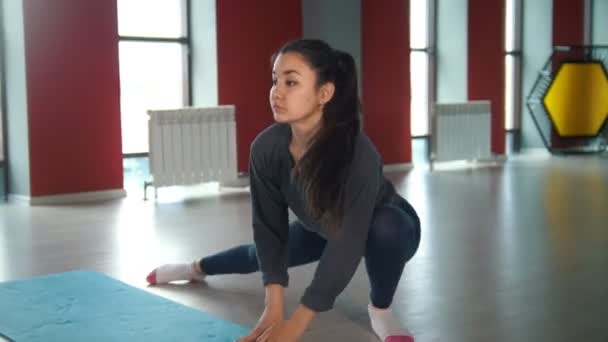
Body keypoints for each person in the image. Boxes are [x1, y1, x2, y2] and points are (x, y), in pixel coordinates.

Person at [146, 39, 421, 342]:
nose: (277, 91)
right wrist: (273, 309)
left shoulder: (358, 154)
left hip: (384, 227)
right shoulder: (266, 148)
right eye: (275, 80)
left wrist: (295, 327)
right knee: (258, 255)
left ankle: (381, 309)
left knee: (386, 227)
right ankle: (194, 268)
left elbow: (347, 245)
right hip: (322, 227)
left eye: (291, 82)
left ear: (324, 93)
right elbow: (269, 230)